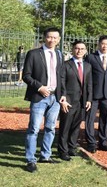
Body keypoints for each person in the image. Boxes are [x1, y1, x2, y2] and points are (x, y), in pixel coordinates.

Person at [22, 27, 63, 173]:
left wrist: (62, 94)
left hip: (55, 98)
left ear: (58, 40)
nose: (52, 40)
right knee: (33, 129)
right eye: (49, 37)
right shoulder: (33, 54)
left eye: (55, 38)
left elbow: (60, 76)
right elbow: (26, 75)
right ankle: (30, 160)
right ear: (44, 38)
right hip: (39, 96)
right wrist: (40, 87)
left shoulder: (59, 54)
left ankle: (45, 156)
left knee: (50, 128)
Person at [58, 40, 92, 161]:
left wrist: (89, 99)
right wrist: (63, 98)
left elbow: (89, 85)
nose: (79, 51)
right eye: (77, 48)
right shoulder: (66, 65)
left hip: (82, 102)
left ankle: (72, 148)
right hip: (69, 101)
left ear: (85, 51)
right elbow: (61, 82)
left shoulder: (88, 66)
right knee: (65, 127)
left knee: (76, 126)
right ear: (73, 50)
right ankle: (63, 151)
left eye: (82, 49)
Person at [84, 35, 107, 153]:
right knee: (90, 119)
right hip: (93, 95)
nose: (105, 46)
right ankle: (91, 142)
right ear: (99, 44)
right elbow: (86, 77)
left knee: (105, 119)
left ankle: (103, 141)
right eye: (103, 44)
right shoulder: (90, 57)